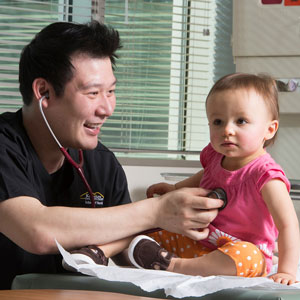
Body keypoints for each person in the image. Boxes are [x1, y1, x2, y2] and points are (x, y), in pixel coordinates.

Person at [0, 21, 224, 290]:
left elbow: (128, 250)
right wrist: (157, 211)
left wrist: (209, 251)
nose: (107, 108)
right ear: (44, 92)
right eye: (93, 93)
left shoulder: (102, 164)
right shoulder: (5, 147)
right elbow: (35, 230)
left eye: (111, 91)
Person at [127, 73, 299, 285]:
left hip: (240, 254)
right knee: (151, 229)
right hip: (202, 241)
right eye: (218, 121)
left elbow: (288, 225)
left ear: (269, 129)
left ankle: (174, 266)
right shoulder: (217, 157)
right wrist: (175, 188)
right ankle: (118, 253)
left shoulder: (266, 176)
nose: (227, 130)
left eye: (241, 121)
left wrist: (287, 271)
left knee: (248, 256)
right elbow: (205, 176)